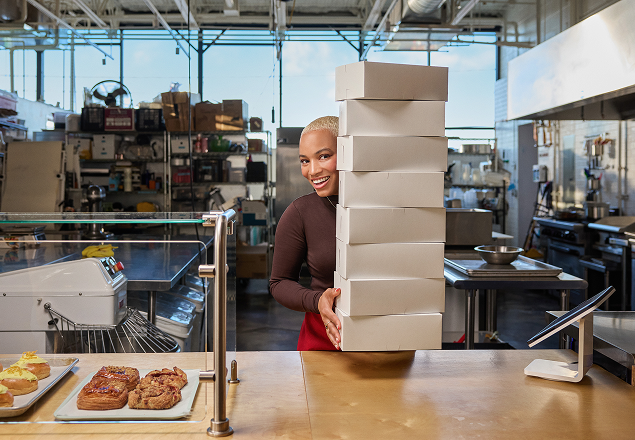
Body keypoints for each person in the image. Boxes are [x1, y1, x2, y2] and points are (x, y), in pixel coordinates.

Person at [269, 116, 342, 351]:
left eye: (324, 156)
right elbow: (279, 283)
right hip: (323, 343)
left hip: (385, 343)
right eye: (304, 161)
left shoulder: (385, 207)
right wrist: (317, 300)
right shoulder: (299, 213)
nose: (313, 171)